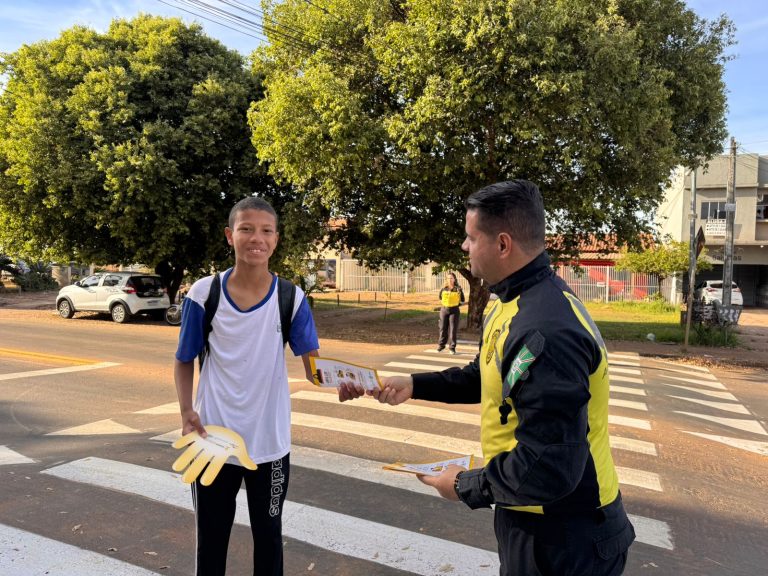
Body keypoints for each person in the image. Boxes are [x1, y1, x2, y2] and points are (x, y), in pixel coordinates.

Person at [341, 180, 635, 575]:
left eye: (470, 237)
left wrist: (465, 485)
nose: (464, 247)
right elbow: (484, 376)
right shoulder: (509, 303)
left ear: (502, 244)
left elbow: (550, 465)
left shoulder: (547, 329)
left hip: (567, 533)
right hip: (527, 514)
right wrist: (414, 383)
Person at [174, 196, 319, 576]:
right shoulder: (204, 294)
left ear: (276, 239)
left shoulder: (292, 297)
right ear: (229, 235)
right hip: (213, 441)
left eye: (266, 231)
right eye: (246, 229)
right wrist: (187, 411)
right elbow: (184, 357)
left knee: (269, 535)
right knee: (212, 535)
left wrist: (356, 382)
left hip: (270, 444)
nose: (257, 238)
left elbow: (314, 367)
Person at [436, 272, 465, 354]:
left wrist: (456, 305)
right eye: (448, 278)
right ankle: (441, 346)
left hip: (454, 311)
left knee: (453, 330)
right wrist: (445, 305)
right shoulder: (443, 289)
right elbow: (440, 298)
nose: (450, 280)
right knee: (442, 328)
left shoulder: (458, 289)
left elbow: (462, 300)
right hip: (444, 310)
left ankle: (452, 348)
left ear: (454, 279)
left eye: (451, 278)